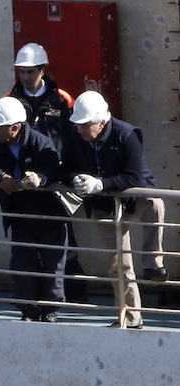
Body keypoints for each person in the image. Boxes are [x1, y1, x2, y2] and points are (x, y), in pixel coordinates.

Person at [64, 90, 156, 328]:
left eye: (85, 125)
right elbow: (66, 167)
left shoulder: (127, 135)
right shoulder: (76, 137)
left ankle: (153, 262)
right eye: (79, 125)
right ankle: (130, 316)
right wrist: (76, 179)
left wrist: (101, 184)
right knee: (119, 265)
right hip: (104, 207)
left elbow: (133, 176)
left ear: (101, 122)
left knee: (156, 205)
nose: (81, 129)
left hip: (133, 198)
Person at [0, 96, 67, 322]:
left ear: (14, 128)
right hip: (20, 216)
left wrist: (40, 178)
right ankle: (27, 310)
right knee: (22, 264)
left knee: (52, 266)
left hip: (50, 216)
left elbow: (53, 168)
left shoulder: (40, 142)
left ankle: (49, 313)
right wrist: (1, 177)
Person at [8, 42, 86, 301]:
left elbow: (74, 136)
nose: (26, 77)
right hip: (24, 184)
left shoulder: (62, 99)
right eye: (22, 72)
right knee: (27, 243)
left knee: (64, 241)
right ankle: (31, 299)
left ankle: (73, 295)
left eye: (31, 71)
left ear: (43, 70)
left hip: (55, 182)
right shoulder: (9, 101)